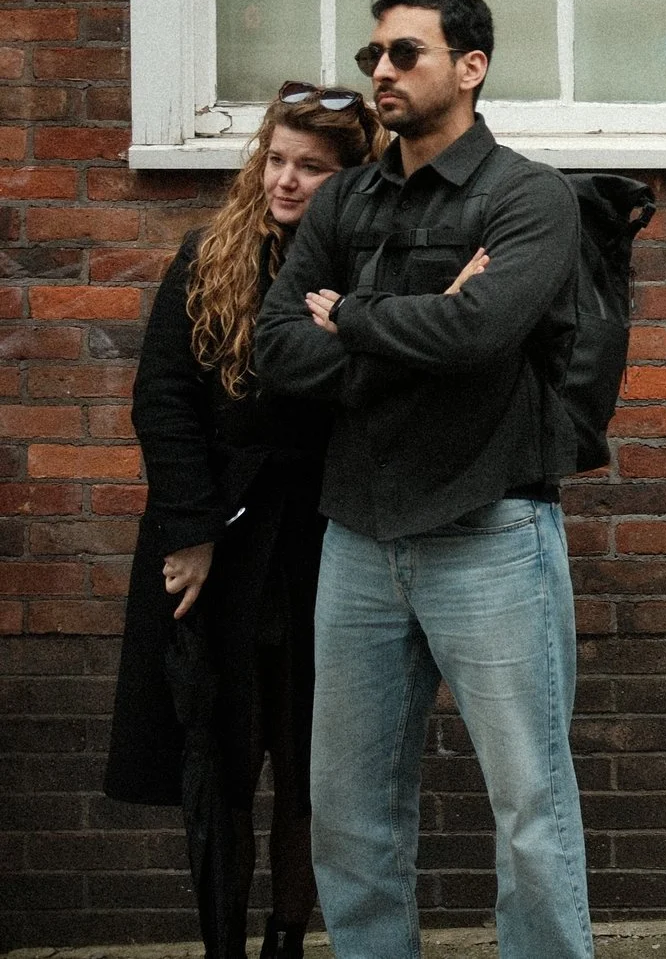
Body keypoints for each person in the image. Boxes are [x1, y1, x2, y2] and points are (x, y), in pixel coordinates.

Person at [254, 0, 591, 959]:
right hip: (357, 536)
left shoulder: (527, 195)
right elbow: (279, 349)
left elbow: (484, 331)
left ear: (471, 65)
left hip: (490, 531)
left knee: (530, 805)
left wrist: (352, 318)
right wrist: (421, 326)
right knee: (350, 811)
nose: (382, 72)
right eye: (374, 57)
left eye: (405, 53)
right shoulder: (350, 195)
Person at [105, 83, 386, 959]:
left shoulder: (368, 270)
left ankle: (286, 937)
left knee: (314, 764)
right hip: (218, 544)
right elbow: (163, 399)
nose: (286, 180)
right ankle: (221, 943)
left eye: (312, 167)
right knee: (219, 751)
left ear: (350, 181)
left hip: (323, 542)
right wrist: (190, 531)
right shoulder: (210, 256)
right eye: (277, 159)